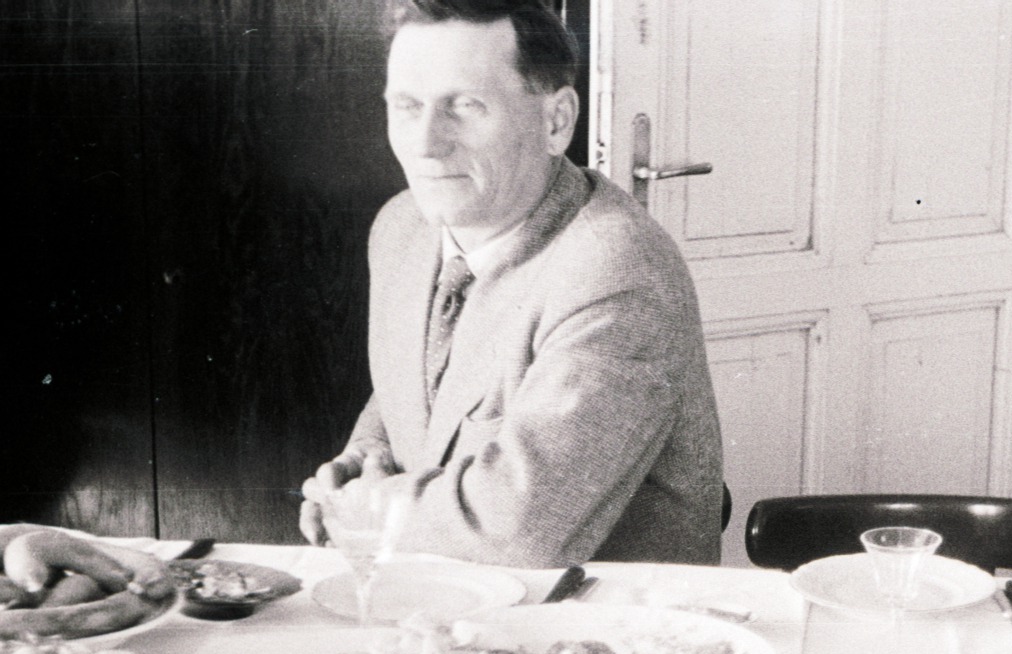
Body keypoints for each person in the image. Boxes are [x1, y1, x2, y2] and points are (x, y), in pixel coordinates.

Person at [299, 0, 723, 568]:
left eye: (465, 106)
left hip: (608, 627)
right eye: (406, 106)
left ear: (556, 122)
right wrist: (366, 456)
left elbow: (519, 528)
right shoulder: (403, 227)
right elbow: (422, 381)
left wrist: (361, 509)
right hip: (454, 603)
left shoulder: (616, 269)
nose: (425, 143)